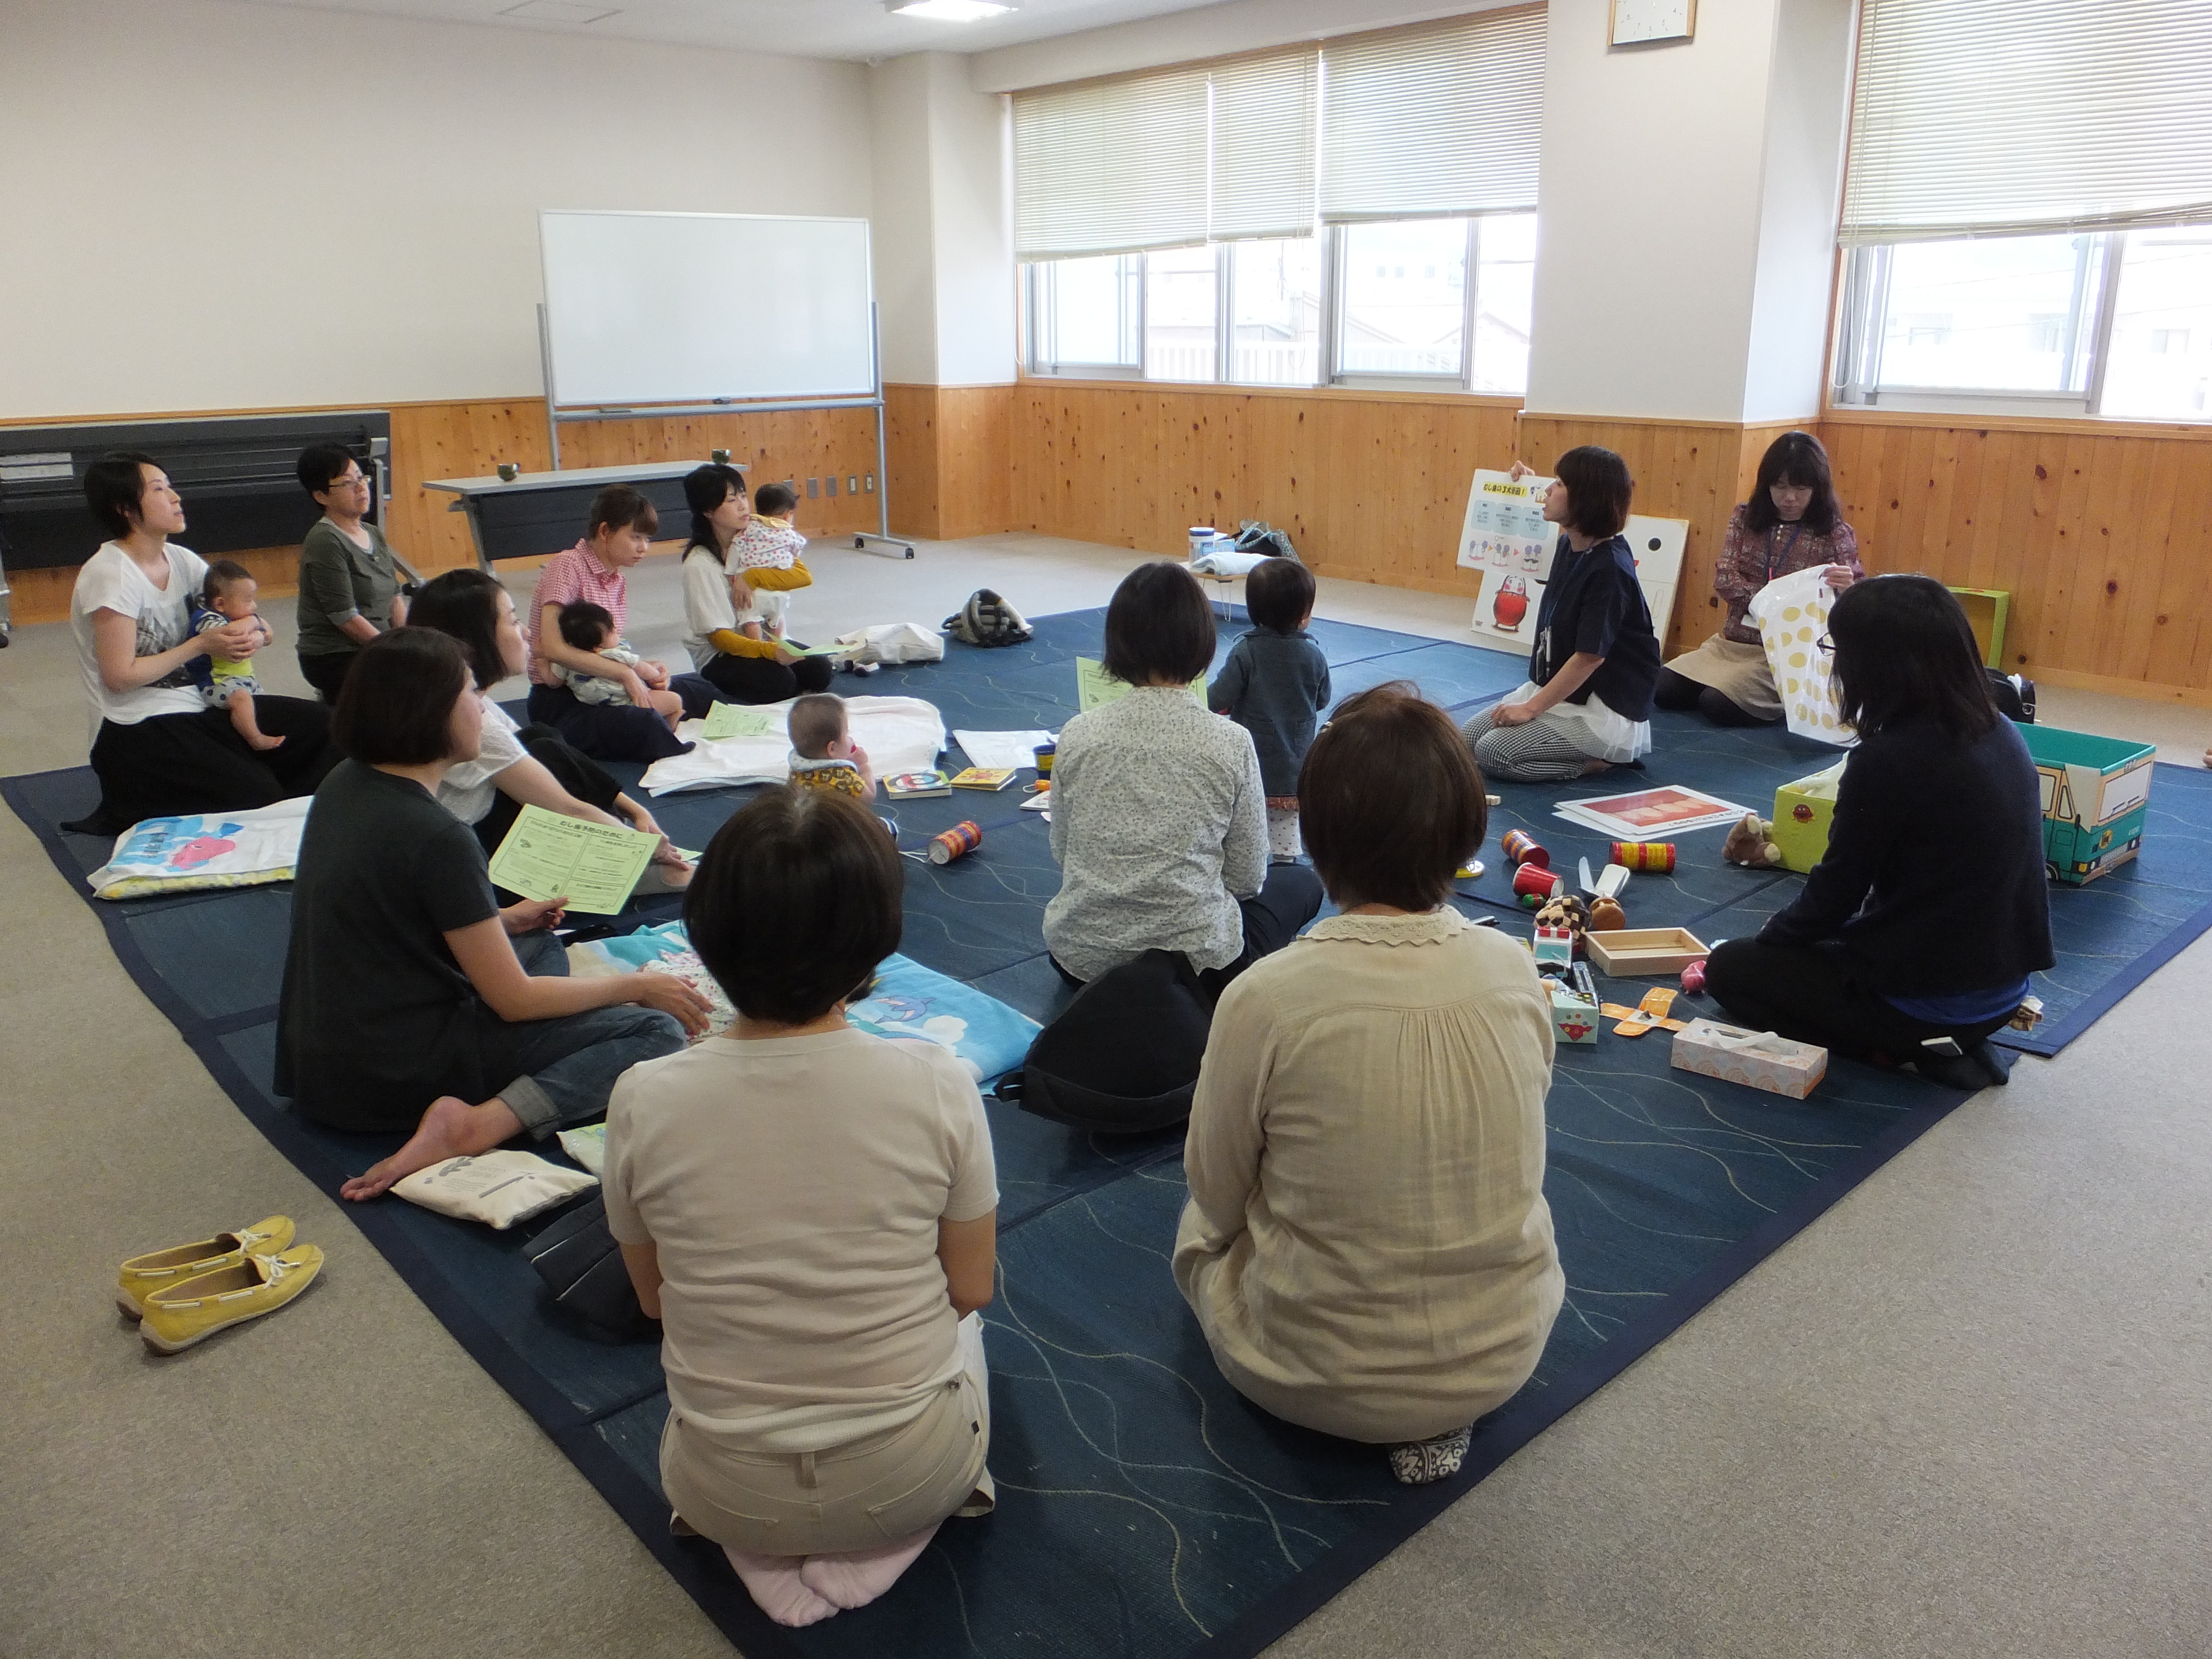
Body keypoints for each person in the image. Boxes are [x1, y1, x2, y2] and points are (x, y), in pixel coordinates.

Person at [607, 786, 997, 1628]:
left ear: (704, 939)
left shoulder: (641, 1095)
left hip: (721, 1486)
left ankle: (761, 1551)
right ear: (875, 948)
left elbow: (653, 1302)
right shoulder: (937, 1082)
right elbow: (969, 1290)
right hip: (911, 1470)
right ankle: (883, 1543)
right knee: (968, 1333)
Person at [1175, 685, 1562, 1486]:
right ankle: (1432, 1406)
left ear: (1314, 841)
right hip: (1503, 1354)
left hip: (1303, 1374)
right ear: (1466, 832)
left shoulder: (1266, 995)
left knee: (1195, 1230)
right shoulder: (1513, 967)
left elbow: (1216, 1190)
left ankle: (1372, 1397)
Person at [275, 628, 711, 1202]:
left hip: (322, 1062)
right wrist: (637, 986)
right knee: (652, 1030)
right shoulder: (438, 835)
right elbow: (515, 1000)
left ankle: (513, 1047)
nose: (483, 709)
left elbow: (385, 918)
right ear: (429, 713)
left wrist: (501, 920)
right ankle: (479, 1124)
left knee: (538, 946)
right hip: (390, 1074)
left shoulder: (347, 782)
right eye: (469, 694)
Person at [1702, 576, 2053, 1091]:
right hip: (2003, 990)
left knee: (1728, 969)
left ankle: (1898, 1048)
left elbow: (1831, 899)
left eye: (1838, 649)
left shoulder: (1888, 760)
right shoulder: (2001, 728)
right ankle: (1938, 1043)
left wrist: (1770, 942)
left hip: (1927, 1004)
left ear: (1874, 663)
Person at [1045, 561, 1322, 992]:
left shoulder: (1077, 733)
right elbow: (1248, 880)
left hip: (1081, 959)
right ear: (1203, 643)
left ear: (1117, 643)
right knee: (1301, 882)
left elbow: (1064, 852)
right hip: (1199, 967)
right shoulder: (1230, 742)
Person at [66, 452, 337, 835]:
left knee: (325, 726)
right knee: (256, 795)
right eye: (159, 490)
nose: (176, 497)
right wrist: (201, 646)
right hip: (133, 726)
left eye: (170, 486)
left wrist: (255, 629)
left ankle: (284, 807)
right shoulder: (109, 574)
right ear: (126, 509)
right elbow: (119, 677)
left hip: (204, 701)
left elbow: (235, 608)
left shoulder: (183, 560)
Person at [404, 568, 693, 885]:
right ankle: (620, 865)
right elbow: (568, 809)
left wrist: (634, 809)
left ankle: (621, 848)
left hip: (480, 827)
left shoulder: (469, 701)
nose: (527, 632)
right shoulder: (469, 721)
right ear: (479, 638)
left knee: (540, 738)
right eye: (513, 621)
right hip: (473, 855)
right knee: (546, 749)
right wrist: (645, 848)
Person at [1459, 447, 1661, 784]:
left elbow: (1589, 658)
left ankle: (1597, 762)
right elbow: (1526, 553)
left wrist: (1531, 709)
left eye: (1560, 484)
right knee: (1466, 741)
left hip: (1601, 705)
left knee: (1495, 753)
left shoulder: (1610, 568)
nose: (1548, 490)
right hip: (1564, 689)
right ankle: (1558, 739)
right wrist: (1522, 489)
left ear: (1586, 498)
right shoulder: (1571, 546)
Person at [1655, 431, 1862, 727]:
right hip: (1731, 645)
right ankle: (1730, 686)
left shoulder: (1835, 532)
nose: (1789, 498)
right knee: (1663, 689)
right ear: (1766, 485)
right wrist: (1778, 601)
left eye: (1800, 488)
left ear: (1818, 487)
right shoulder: (1745, 518)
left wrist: (1848, 587)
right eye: (1779, 487)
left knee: (1715, 704)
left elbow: (1854, 601)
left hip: (1785, 656)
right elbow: (1725, 579)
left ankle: (1780, 695)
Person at [526, 484, 721, 761]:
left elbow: (605, 648)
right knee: (640, 724)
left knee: (701, 692)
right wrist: (627, 674)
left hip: (606, 686)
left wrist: (644, 668)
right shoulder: (567, 566)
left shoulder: (616, 579)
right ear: (605, 531)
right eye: (636, 537)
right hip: (565, 697)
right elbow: (554, 649)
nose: (644, 548)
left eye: (647, 539)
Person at [1206, 555, 1331, 861]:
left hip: (1250, 763)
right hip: (1294, 765)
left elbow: (1218, 698)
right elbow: (1323, 699)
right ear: (1304, 614)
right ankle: (1285, 869)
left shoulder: (1246, 651)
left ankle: (1244, 870)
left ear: (1253, 610)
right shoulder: (1313, 655)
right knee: (1284, 831)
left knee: (1243, 827)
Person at [677, 463, 833, 706]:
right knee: (781, 682)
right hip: (721, 654)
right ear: (708, 511)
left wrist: (750, 578)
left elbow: (802, 576)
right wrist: (770, 653)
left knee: (821, 669)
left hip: (764, 637)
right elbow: (720, 639)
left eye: (743, 495)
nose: (743, 506)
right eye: (731, 500)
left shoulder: (758, 537)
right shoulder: (699, 563)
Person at [293, 444, 407, 703]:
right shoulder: (325, 540)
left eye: (361, 478)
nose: (361, 487)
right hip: (335, 653)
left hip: (376, 645)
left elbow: (394, 596)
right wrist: (393, 653)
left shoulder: (373, 533)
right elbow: (345, 617)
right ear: (321, 496)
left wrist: (406, 641)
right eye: (347, 483)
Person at [553, 601, 682, 732]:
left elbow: (553, 681)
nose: (617, 632)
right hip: (630, 702)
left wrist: (541, 658)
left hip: (595, 709)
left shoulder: (568, 661)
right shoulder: (616, 655)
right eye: (613, 631)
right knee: (675, 701)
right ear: (598, 648)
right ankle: (670, 732)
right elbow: (645, 672)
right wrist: (657, 670)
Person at [192, 562, 282, 752]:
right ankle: (255, 739)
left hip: (245, 680)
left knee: (263, 707)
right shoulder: (206, 619)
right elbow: (233, 633)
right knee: (241, 699)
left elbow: (269, 635)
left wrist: (258, 626)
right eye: (248, 600)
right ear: (220, 604)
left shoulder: (239, 617)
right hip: (215, 684)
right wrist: (255, 621)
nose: (254, 605)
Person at [728, 480, 811, 641]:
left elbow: (736, 547)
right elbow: (797, 550)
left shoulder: (749, 528)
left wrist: (730, 572)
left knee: (750, 620)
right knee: (777, 619)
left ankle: (757, 646)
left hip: (753, 594)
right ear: (788, 515)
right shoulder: (787, 532)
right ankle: (777, 644)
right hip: (778, 593)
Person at [786, 693, 875, 798]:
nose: (850, 739)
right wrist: (864, 767)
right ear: (832, 748)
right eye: (846, 734)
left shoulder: (796, 770)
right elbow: (869, 796)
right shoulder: (844, 777)